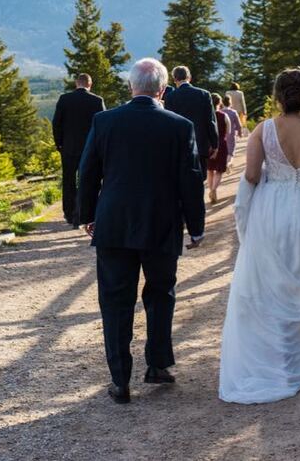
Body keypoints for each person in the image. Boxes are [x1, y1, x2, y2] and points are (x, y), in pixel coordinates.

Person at [76, 58, 205, 404]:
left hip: (114, 223)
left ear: (131, 87)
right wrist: (196, 227)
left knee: (116, 300)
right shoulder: (180, 126)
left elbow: (87, 172)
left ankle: (120, 380)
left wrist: (88, 214)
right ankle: (159, 365)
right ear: (162, 90)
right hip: (162, 223)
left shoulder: (104, 121)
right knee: (161, 294)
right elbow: (190, 181)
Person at [219, 69, 300, 404]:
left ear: (278, 96)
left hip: (274, 208)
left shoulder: (264, 130)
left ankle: (274, 353)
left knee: (271, 282)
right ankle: (298, 355)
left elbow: (253, 175)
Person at [51, 73, 105, 225]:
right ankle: (86, 213)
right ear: (90, 84)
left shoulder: (64, 99)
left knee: (68, 181)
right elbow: (102, 125)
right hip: (90, 148)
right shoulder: (97, 100)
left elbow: (56, 123)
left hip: (68, 147)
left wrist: (59, 144)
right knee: (88, 180)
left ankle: (69, 214)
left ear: (76, 83)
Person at [163, 66, 218, 181]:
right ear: (190, 78)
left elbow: (168, 124)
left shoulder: (169, 97)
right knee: (200, 179)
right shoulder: (204, 94)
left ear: (174, 79)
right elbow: (210, 121)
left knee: (181, 179)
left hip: (179, 146)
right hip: (200, 144)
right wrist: (215, 144)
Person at [207, 93, 230, 203]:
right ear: (219, 103)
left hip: (210, 145)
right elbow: (228, 131)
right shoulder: (224, 115)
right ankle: (214, 190)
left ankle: (211, 189)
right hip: (221, 144)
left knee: (210, 170)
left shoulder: (206, 116)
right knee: (219, 170)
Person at [222, 94, 240, 171]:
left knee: (224, 150)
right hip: (231, 134)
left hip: (222, 134)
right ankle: (228, 164)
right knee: (231, 151)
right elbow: (238, 124)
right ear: (230, 103)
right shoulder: (233, 112)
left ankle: (225, 164)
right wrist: (240, 132)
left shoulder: (220, 112)